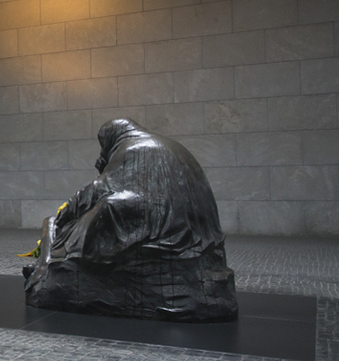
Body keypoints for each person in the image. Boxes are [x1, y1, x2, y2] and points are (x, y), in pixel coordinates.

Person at [22, 118, 238, 322]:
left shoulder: (133, 148)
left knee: (101, 211)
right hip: (190, 230)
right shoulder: (160, 144)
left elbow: (98, 190)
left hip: (166, 228)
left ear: (110, 139)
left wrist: (65, 214)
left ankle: (58, 263)